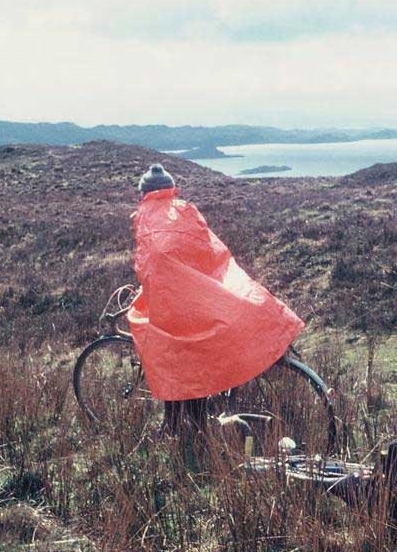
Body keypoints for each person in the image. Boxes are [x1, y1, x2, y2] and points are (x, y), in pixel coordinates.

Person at [126, 164, 304, 422]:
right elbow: (207, 251)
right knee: (195, 350)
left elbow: (148, 262)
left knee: (168, 352)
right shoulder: (186, 210)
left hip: (171, 301)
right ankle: (192, 420)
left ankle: (181, 427)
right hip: (194, 295)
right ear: (170, 189)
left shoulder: (145, 216)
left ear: (144, 193)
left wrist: (158, 283)